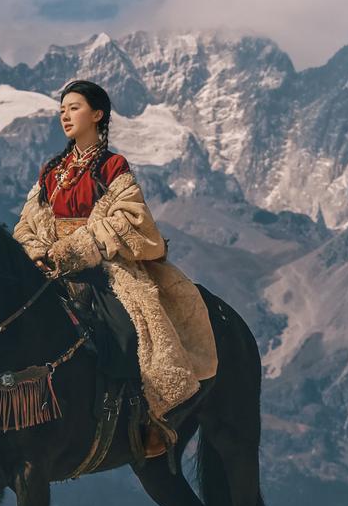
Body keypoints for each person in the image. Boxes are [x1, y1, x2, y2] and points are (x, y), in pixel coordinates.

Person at [12, 79, 218, 460]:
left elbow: (130, 217)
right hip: (49, 267)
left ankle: (147, 414)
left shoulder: (112, 166)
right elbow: (26, 222)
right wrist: (37, 249)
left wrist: (78, 249)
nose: (65, 115)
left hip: (102, 269)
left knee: (129, 331)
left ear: (97, 114)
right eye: (61, 110)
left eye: (74, 107)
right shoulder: (51, 171)